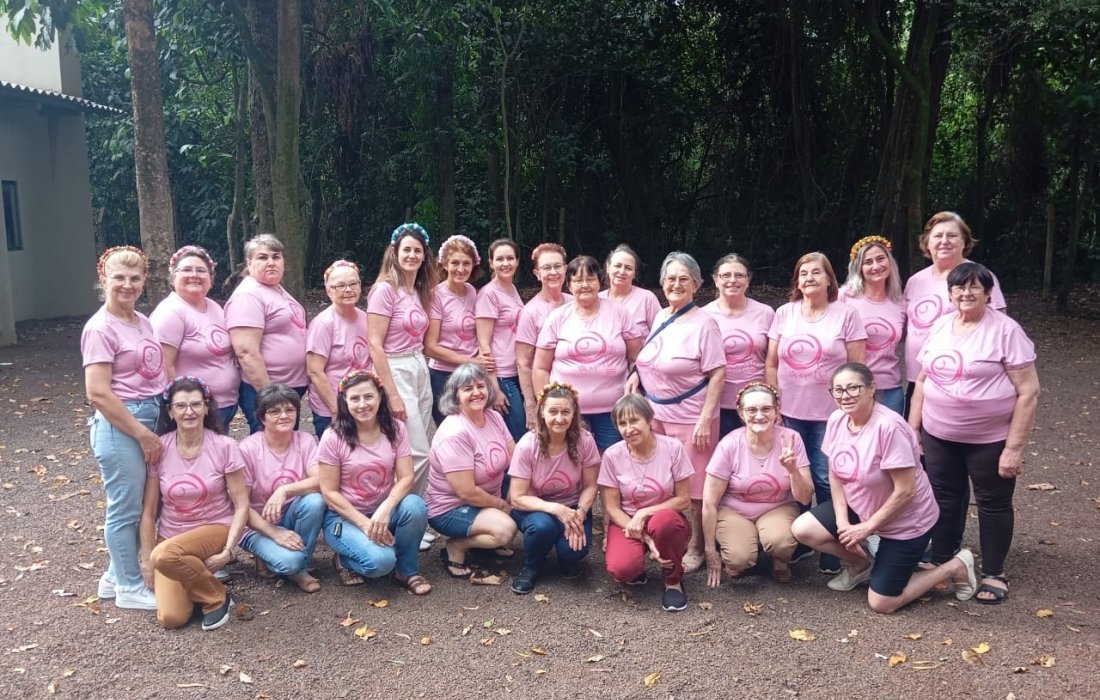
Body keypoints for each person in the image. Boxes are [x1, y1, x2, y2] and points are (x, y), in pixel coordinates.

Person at [791, 363, 978, 613]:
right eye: (838, 390)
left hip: (905, 520)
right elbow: (836, 473)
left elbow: (906, 491)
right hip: (863, 505)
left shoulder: (889, 428)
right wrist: (844, 522)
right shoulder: (837, 419)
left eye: (853, 388)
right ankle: (860, 565)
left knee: (882, 602)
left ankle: (955, 566)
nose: (845, 396)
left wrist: (867, 529)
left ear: (871, 388)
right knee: (803, 529)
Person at [909, 262, 1039, 604]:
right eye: (958, 288)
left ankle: (994, 572)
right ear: (950, 294)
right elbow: (922, 381)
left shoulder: (1006, 331)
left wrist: (1013, 448)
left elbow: (1029, 392)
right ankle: (943, 559)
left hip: (989, 439)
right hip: (939, 433)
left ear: (988, 293)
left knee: (993, 503)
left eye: (973, 288)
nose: (965, 294)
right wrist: (913, 428)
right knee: (944, 497)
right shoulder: (941, 326)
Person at [765, 252, 866, 574]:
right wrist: (775, 404)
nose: (809, 278)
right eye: (803, 273)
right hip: (790, 412)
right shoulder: (784, 313)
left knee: (826, 478)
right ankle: (800, 541)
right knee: (794, 476)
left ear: (829, 279)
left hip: (831, 414)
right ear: (797, 281)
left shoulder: (846, 314)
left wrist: (850, 407)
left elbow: (857, 367)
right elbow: (771, 363)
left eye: (816, 273)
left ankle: (832, 542)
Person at [628, 251, 725, 573]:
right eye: (670, 278)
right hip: (656, 414)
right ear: (661, 283)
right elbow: (649, 357)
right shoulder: (660, 317)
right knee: (659, 479)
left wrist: (704, 418)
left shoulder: (705, 324)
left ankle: (697, 543)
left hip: (691, 418)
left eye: (684, 279)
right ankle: (661, 533)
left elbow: (717, 373)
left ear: (696, 285)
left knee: (694, 487)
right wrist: (635, 374)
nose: (676, 284)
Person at [83, 245, 166, 611]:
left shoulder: (142, 321)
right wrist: (141, 432)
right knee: (125, 508)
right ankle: (130, 587)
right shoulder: (100, 328)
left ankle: (114, 575)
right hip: (122, 424)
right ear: (104, 279)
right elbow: (98, 392)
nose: (127, 285)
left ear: (144, 281)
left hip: (151, 413)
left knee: (140, 502)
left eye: (135, 278)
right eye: (119, 278)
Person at [139, 377, 250, 630]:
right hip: (170, 535)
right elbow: (148, 512)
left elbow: (241, 504)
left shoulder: (224, 446)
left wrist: (228, 551)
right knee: (171, 619)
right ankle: (208, 585)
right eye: (180, 406)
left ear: (207, 408)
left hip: (214, 526)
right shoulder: (160, 448)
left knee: (165, 555)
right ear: (170, 411)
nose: (189, 411)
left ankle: (214, 598)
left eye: (196, 404)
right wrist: (147, 561)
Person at [316, 369, 432, 595]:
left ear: (380, 396)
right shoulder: (333, 437)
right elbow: (329, 492)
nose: (362, 404)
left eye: (368, 396)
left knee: (415, 506)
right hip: (345, 517)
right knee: (380, 563)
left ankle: (407, 571)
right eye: (355, 398)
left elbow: (407, 476)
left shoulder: (396, 428)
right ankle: (344, 561)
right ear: (345, 402)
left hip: (382, 511)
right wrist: (365, 524)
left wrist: (386, 507)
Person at [701, 383, 812, 586]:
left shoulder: (791, 439)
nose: (759, 416)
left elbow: (805, 498)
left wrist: (793, 470)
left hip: (777, 506)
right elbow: (709, 501)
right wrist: (710, 551)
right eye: (751, 410)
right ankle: (739, 557)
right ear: (741, 414)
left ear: (777, 411)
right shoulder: (729, 444)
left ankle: (780, 561)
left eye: (766, 409)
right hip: (735, 510)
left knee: (782, 542)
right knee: (738, 558)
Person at [533, 255, 643, 452]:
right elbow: (541, 367)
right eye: (578, 280)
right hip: (567, 413)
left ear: (600, 282)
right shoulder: (557, 317)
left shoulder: (619, 312)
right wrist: (545, 407)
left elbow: (636, 358)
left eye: (590, 279)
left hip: (613, 410)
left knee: (611, 463)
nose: (585, 285)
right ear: (569, 284)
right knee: (572, 462)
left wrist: (635, 378)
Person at [599, 394, 693, 612]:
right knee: (621, 569)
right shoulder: (613, 455)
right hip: (627, 520)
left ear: (650, 420)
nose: (629, 428)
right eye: (622, 424)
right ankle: (638, 567)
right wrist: (647, 540)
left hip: (665, 517)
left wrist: (644, 513)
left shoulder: (673, 448)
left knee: (664, 523)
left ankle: (673, 581)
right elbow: (612, 507)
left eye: (634, 421)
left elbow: (684, 499)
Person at [366, 222, 439, 498]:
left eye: (417, 251)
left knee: (412, 448)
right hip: (394, 367)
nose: (412, 255)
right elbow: (375, 344)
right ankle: (403, 512)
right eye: (406, 249)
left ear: (424, 255)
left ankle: (414, 513)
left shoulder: (419, 291)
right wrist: (392, 393)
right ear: (395, 253)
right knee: (419, 452)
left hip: (418, 365)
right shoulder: (385, 290)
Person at [426, 363, 517, 580]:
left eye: (480, 386)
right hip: (451, 508)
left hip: (484, 500)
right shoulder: (455, 433)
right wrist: (503, 505)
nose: (476, 393)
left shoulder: (493, 416)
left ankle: (483, 540)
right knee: (506, 530)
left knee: (521, 507)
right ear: (455, 395)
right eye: (468, 389)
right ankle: (456, 546)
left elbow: (516, 458)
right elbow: (466, 492)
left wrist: (514, 491)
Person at [507, 382, 600, 594]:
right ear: (542, 412)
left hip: (573, 505)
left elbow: (590, 485)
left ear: (574, 412)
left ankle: (565, 556)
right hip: (535, 507)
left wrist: (580, 513)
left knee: (574, 552)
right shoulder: (527, 445)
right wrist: (557, 510)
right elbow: (517, 497)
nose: (560, 418)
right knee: (542, 528)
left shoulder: (585, 440)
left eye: (566, 411)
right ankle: (532, 566)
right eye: (553, 411)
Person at [904, 212, 1006, 399]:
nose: (944, 241)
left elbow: (999, 328)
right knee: (914, 427)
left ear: (964, 242)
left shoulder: (982, 277)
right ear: (927, 243)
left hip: (962, 380)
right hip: (917, 378)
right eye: (937, 236)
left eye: (952, 235)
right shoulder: (914, 281)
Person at [237, 384, 325, 593]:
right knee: (288, 562)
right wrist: (274, 533)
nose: (283, 416)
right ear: (261, 417)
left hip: (291, 515)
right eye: (274, 411)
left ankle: (300, 569)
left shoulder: (305, 440)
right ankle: (281, 558)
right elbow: (240, 505)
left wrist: (284, 490)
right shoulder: (247, 449)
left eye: (289, 410)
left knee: (315, 501)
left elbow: (321, 480)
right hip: (256, 524)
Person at [225, 234, 308, 433]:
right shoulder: (248, 295)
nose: (271, 262)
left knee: (286, 448)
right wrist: (270, 395)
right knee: (270, 449)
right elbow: (246, 352)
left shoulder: (274, 289)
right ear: (249, 262)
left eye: (276, 256)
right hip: (266, 390)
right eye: (262, 257)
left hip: (288, 389)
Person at [151, 245, 240, 429]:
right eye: (186, 269)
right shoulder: (171, 312)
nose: (195, 275)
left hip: (223, 406)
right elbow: (163, 366)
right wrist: (183, 406)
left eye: (201, 270)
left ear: (211, 278)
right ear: (173, 277)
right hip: (195, 413)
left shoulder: (214, 307)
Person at [702, 254, 776, 438]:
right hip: (717, 405)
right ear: (715, 280)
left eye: (739, 275)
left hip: (758, 405)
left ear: (748, 281)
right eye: (726, 275)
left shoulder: (766, 313)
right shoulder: (703, 316)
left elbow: (773, 361)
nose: (732, 280)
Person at [425, 234, 493, 427]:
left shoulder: (472, 291)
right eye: (455, 263)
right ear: (445, 264)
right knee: (450, 428)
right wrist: (472, 360)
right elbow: (430, 347)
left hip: (472, 375)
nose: (461, 269)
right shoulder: (436, 296)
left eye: (466, 263)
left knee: (475, 425)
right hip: (444, 376)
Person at [840, 236, 906, 415]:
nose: (876, 266)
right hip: (852, 387)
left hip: (890, 388)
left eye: (880, 259)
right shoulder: (844, 297)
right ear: (859, 268)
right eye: (868, 262)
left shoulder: (900, 302)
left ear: (890, 262)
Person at [306, 260, 371, 435]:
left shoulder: (366, 318)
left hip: (363, 404)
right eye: (340, 286)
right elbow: (314, 371)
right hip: (333, 408)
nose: (348, 290)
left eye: (353, 284)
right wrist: (337, 410)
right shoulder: (323, 323)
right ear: (329, 291)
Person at [476, 238, 527, 440]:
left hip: (519, 371)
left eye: (510, 258)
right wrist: (494, 388)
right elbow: (483, 343)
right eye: (500, 259)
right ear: (491, 263)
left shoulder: (512, 289)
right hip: (502, 376)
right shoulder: (489, 294)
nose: (505, 263)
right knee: (517, 436)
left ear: (517, 261)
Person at [516, 243, 571, 430]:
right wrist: (532, 406)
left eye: (557, 266)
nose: (553, 272)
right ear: (537, 273)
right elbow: (523, 363)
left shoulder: (576, 302)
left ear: (566, 268)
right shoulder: (530, 312)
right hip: (550, 398)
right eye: (546, 268)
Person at [600, 244, 661, 340]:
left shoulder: (647, 299)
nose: (622, 271)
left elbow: (661, 334)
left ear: (634, 274)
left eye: (628, 268)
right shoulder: (598, 299)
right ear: (608, 267)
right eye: (617, 266)